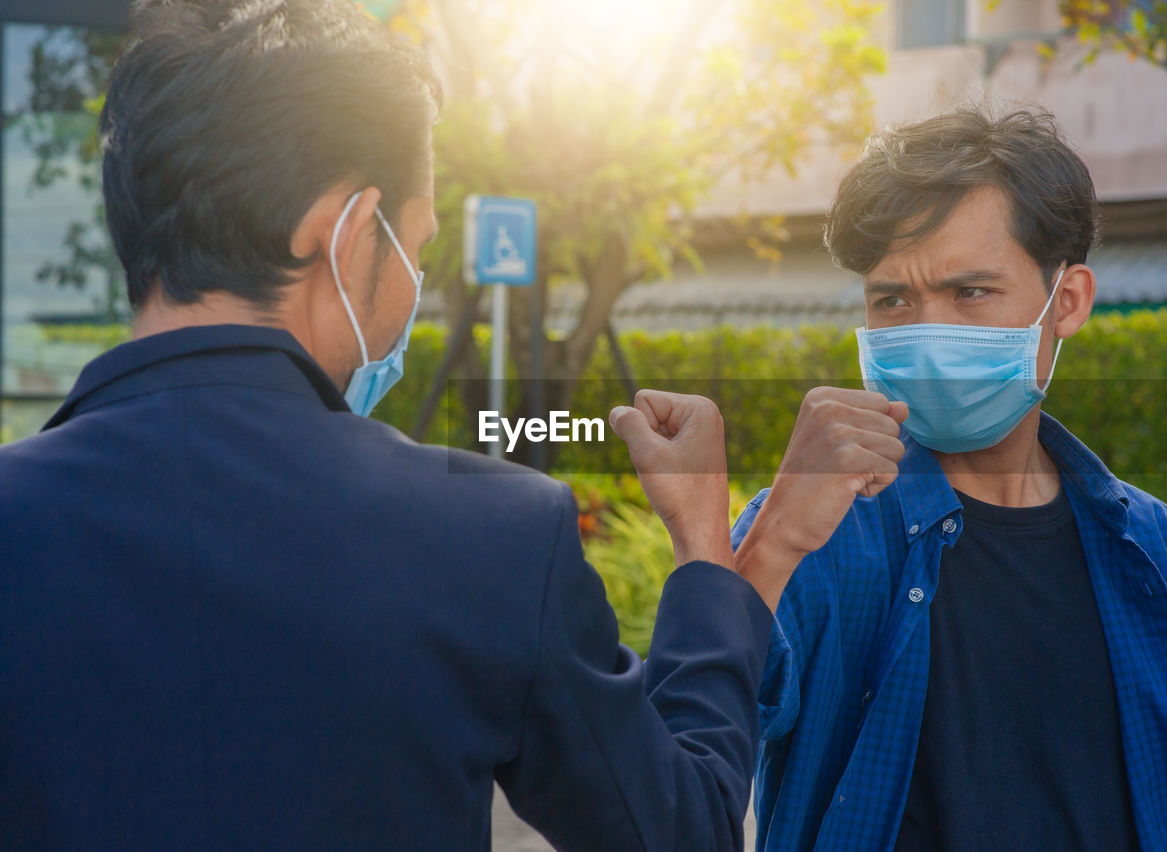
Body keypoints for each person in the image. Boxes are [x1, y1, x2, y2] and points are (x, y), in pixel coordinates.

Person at [0, 2, 784, 848]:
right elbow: (680, 831)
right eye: (417, 247)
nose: (413, 283)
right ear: (343, 230)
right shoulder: (495, 533)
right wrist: (709, 561)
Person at [730, 109, 1167, 851]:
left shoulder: (1160, 553)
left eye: (970, 293)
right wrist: (771, 542)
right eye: (892, 301)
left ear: (1065, 302)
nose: (926, 332)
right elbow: (684, 755)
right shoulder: (815, 532)